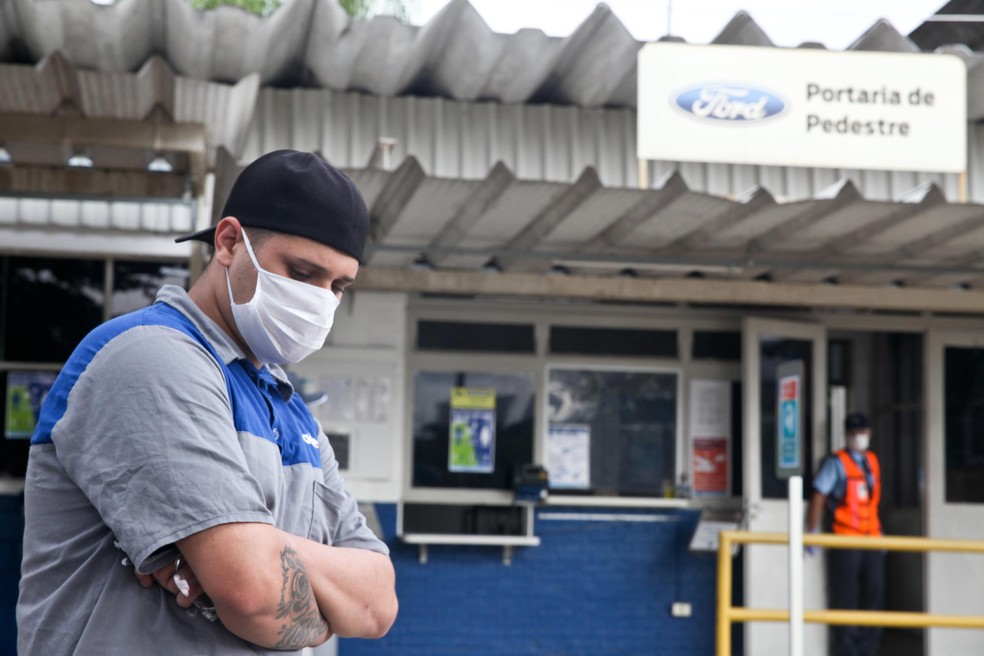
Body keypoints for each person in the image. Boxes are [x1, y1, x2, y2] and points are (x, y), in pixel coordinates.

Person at [17, 150, 398, 654]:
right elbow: (253, 597)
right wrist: (311, 597)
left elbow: (378, 604)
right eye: (303, 273)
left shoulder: (290, 410)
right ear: (229, 242)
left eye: (339, 286)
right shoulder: (152, 358)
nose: (322, 301)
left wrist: (262, 553)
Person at [807, 411, 884, 656]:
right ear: (846, 435)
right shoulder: (837, 462)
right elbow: (819, 494)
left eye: (861, 432)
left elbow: (871, 502)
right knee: (846, 598)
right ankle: (845, 651)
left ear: (869, 433)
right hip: (845, 540)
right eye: (853, 433)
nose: (858, 437)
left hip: (871, 540)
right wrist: (812, 530)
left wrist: (879, 532)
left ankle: (868, 651)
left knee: (873, 596)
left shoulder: (872, 461)